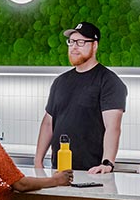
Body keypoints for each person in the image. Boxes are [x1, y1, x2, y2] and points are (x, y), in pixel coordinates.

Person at [33, 21, 127, 175]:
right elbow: (48, 123)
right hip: (59, 171)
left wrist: (107, 163)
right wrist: (38, 160)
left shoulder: (109, 81)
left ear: (94, 45)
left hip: (92, 172)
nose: (74, 47)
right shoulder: (60, 81)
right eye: (71, 42)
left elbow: (113, 127)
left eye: (81, 42)